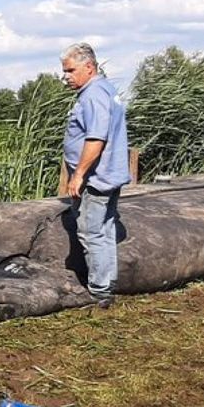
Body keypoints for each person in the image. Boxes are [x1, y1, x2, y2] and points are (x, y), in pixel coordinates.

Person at [60, 42, 130, 308]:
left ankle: (100, 291)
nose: (66, 76)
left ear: (88, 67)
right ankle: (106, 286)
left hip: (96, 177)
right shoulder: (106, 90)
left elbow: (96, 138)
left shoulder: (93, 95)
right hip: (109, 173)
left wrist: (78, 175)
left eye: (70, 70)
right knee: (105, 228)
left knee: (92, 233)